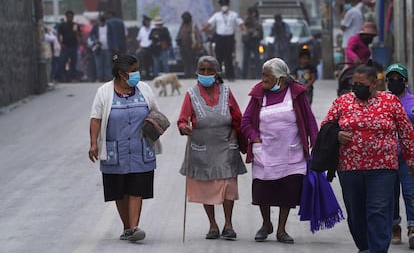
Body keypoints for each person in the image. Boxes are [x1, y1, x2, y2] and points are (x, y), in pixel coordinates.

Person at [321, 62, 414, 252]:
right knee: (356, 214)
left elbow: (406, 133)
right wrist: (337, 134)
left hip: (383, 169)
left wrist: (411, 160)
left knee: (378, 211)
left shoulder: (390, 102)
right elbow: (326, 127)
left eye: (361, 84)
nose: (356, 88)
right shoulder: (342, 102)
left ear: (374, 85)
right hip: (350, 169)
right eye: (354, 84)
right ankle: (364, 247)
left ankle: (378, 250)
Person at [241, 58, 318, 243]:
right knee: (262, 190)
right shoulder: (258, 94)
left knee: (288, 191)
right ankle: (266, 223)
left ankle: (281, 230)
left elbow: (309, 120)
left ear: (280, 78)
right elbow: (246, 121)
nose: (263, 78)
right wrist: (254, 137)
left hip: (291, 152)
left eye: (267, 75)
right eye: (263, 74)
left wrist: (316, 144)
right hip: (265, 152)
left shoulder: (297, 93)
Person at [88, 53, 161, 242]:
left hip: (140, 148)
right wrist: (93, 143)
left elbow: (155, 112)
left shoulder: (144, 89)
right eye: (134, 71)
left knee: (137, 189)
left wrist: (155, 125)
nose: (137, 74)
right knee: (119, 191)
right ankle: (127, 227)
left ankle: (134, 226)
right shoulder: (104, 92)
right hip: (115, 149)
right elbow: (95, 118)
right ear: (122, 74)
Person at [177, 55, 247, 240]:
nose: (205, 74)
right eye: (202, 70)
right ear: (197, 72)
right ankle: (213, 225)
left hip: (225, 144)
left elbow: (237, 116)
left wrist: (234, 133)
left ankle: (228, 224)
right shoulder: (191, 94)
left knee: (228, 186)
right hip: (202, 146)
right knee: (206, 187)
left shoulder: (226, 91)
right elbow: (182, 119)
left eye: (209, 71)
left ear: (217, 74)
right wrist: (184, 127)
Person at [385, 63, 414, 249]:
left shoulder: (412, 103)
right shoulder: (382, 101)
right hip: (387, 157)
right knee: (390, 194)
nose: (394, 83)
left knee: (410, 193)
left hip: (407, 157)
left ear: (405, 81)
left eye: (398, 80)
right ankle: (395, 227)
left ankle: (412, 227)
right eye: (391, 80)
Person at [200, 0, 246, 81]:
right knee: (219, 58)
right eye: (222, 5)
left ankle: (230, 76)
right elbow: (209, 24)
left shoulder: (234, 15)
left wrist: (244, 30)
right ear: (220, 6)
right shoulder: (217, 15)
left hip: (229, 38)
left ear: (228, 5)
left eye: (225, 4)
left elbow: (241, 23)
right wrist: (202, 30)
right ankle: (218, 76)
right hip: (219, 38)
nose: (224, 6)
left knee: (229, 57)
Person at [57, 10, 82, 82]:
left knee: (73, 63)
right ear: (66, 17)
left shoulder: (76, 25)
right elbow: (58, 35)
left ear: (73, 17)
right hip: (65, 47)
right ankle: (62, 78)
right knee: (62, 62)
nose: (70, 18)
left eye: (71, 16)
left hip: (74, 46)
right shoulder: (62, 25)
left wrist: (76, 32)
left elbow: (81, 36)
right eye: (68, 16)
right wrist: (61, 44)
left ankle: (73, 78)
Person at [176, 11, 202, 78]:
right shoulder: (182, 25)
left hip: (191, 46)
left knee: (192, 60)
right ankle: (187, 73)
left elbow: (198, 35)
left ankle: (193, 73)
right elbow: (179, 34)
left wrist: (199, 43)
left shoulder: (193, 25)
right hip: (182, 45)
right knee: (185, 60)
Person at [88, 15, 112, 82]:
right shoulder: (96, 27)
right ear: (99, 21)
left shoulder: (109, 26)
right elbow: (91, 35)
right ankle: (100, 77)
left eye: (103, 22)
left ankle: (107, 77)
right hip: (98, 48)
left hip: (107, 47)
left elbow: (112, 36)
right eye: (100, 22)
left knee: (107, 63)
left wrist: (113, 46)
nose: (101, 23)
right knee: (98, 63)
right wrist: (95, 40)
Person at [241, 6, 263, 79]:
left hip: (255, 41)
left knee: (257, 59)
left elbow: (259, 28)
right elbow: (243, 28)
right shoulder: (246, 19)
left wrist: (254, 19)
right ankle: (244, 75)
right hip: (247, 41)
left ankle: (258, 75)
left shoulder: (258, 19)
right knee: (246, 59)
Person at [136, 15, 153, 79]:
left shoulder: (152, 28)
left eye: (148, 21)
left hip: (151, 48)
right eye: (146, 21)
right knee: (142, 62)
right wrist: (140, 47)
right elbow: (138, 39)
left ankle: (149, 74)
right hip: (143, 48)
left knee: (149, 62)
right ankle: (143, 75)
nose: (148, 23)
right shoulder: (142, 29)